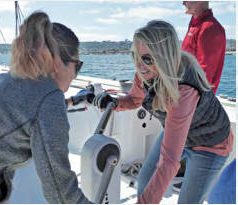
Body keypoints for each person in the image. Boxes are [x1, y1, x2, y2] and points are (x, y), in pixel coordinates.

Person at [93, 20, 233, 204]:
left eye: (147, 59)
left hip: (210, 144)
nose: (139, 65)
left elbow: (168, 162)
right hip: (179, 133)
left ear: (164, 57)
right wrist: (113, 102)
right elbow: (134, 99)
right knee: (145, 179)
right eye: (135, 56)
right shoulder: (145, 73)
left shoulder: (184, 90)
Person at [0, 11, 94, 204]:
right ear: (58, 62)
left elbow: (25, 112)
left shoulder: (12, 79)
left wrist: (70, 102)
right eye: (78, 66)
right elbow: (61, 195)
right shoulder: (49, 97)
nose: (76, 75)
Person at [175, 1, 227, 191]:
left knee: (190, 143)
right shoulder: (194, 24)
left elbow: (205, 74)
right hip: (185, 99)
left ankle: (186, 179)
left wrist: (191, 104)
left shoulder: (210, 28)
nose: (182, 2)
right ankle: (180, 175)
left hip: (195, 103)